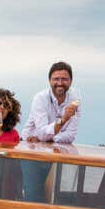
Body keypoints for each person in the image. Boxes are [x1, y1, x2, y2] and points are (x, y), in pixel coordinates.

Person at [21, 61, 80, 201]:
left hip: (56, 152)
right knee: (33, 195)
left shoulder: (75, 99)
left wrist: (50, 139)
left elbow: (71, 135)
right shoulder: (40, 98)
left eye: (64, 79)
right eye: (56, 79)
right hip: (31, 150)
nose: (60, 83)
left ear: (71, 81)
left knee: (58, 196)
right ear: (49, 81)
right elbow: (41, 132)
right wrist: (63, 120)